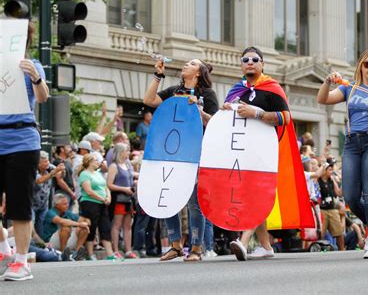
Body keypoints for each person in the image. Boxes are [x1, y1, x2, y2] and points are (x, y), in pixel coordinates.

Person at [317, 48, 368, 259]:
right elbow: (323, 99)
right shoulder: (350, 88)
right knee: (351, 196)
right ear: (361, 65)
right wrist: (328, 82)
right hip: (353, 142)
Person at [143, 57, 218, 261]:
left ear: (198, 73)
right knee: (168, 197)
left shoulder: (207, 94)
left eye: (192, 64)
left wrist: (198, 109)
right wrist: (158, 76)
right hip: (171, 153)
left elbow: (215, 123)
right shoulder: (173, 91)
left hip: (195, 153)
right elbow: (148, 101)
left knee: (194, 203)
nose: (186, 64)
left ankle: (196, 248)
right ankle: (175, 245)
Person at [222, 46, 291, 261]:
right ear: (241, 64)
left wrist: (257, 113)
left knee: (253, 194)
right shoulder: (235, 91)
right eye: (246, 59)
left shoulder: (272, 88)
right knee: (250, 194)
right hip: (241, 151)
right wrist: (225, 111)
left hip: (264, 152)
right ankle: (266, 246)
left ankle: (243, 242)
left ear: (262, 64)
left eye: (255, 59)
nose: (250, 62)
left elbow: (286, 118)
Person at [0, 21, 49, 281]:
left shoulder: (31, 65)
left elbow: (43, 98)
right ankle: (4, 250)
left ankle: (21, 262)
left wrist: (36, 77)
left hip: (21, 141)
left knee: (19, 205)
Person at [77, 154, 116, 260]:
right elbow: (88, 191)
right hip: (90, 203)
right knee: (92, 227)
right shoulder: (84, 174)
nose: (98, 162)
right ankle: (90, 254)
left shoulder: (98, 173)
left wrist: (108, 197)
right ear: (89, 162)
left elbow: (105, 187)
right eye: (95, 160)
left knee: (105, 227)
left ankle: (110, 254)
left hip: (102, 203)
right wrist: (102, 199)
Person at [106, 143, 136, 259]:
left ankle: (128, 250)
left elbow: (131, 177)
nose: (128, 153)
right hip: (119, 198)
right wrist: (124, 189)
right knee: (117, 224)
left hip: (129, 199)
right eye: (127, 151)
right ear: (121, 152)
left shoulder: (127, 165)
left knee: (128, 225)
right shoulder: (114, 166)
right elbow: (109, 184)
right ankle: (116, 250)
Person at [41, 194, 89, 260]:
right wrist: (79, 224)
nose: (67, 206)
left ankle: (76, 253)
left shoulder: (67, 212)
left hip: (66, 240)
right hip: (51, 243)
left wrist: (86, 223)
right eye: (64, 204)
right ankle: (63, 253)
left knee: (84, 229)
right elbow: (62, 221)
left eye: (67, 203)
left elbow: (85, 220)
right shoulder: (50, 212)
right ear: (57, 205)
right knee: (66, 227)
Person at [33, 151, 65, 238]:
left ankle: (41, 244)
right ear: (38, 163)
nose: (48, 163)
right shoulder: (33, 170)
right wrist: (54, 172)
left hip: (43, 204)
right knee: (31, 224)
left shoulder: (49, 167)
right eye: (45, 161)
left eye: (48, 161)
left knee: (42, 224)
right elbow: (39, 180)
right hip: (32, 204)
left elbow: (59, 175)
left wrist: (61, 170)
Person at [318, 160, 344, 250]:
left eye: (331, 169)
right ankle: (319, 249)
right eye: (329, 169)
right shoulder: (318, 180)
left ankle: (342, 250)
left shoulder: (331, 180)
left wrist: (343, 182)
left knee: (339, 232)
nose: (331, 171)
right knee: (321, 232)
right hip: (322, 209)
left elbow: (339, 193)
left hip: (332, 209)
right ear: (324, 170)